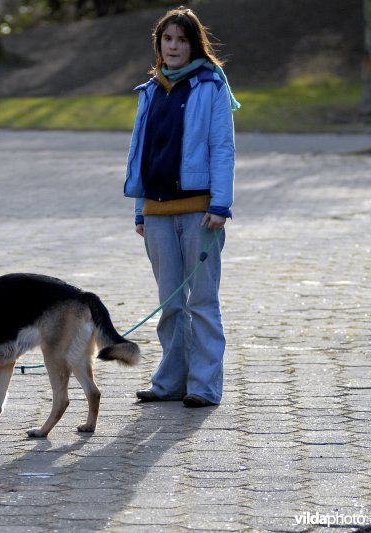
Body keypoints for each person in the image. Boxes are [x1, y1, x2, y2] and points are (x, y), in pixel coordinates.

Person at [123, 7, 239, 408]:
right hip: (156, 213)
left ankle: (204, 386)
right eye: (167, 39)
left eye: (181, 40)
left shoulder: (211, 84)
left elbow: (222, 148)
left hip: (201, 211)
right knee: (170, 304)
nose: (173, 46)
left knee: (202, 302)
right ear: (159, 44)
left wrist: (221, 205)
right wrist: (141, 210)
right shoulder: (151, 90)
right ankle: (170, 381)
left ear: (193, 45)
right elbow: (142, 153)